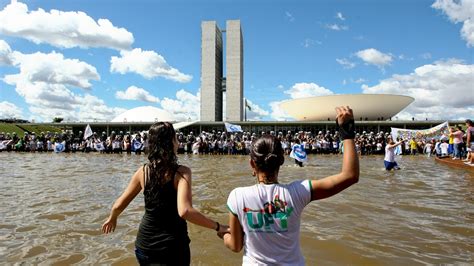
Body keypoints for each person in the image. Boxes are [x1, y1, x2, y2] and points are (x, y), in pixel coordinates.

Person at [220, 106, 359, 265]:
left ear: (252, 163)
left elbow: (236, 246)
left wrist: (223, 233)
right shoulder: (298, 192)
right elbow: (350, 176)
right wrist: (347, 133)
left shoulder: (237, 196)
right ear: (282, 160)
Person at [102, 122, 228, 265]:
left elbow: (119, 204)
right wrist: (218, 227)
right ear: (170, 143)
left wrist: (112, 218)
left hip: (144, 246)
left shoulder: (142, 171)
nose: (178, 142)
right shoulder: (182, 172)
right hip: (172, 248)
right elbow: (185, 211)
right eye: (175, 139)